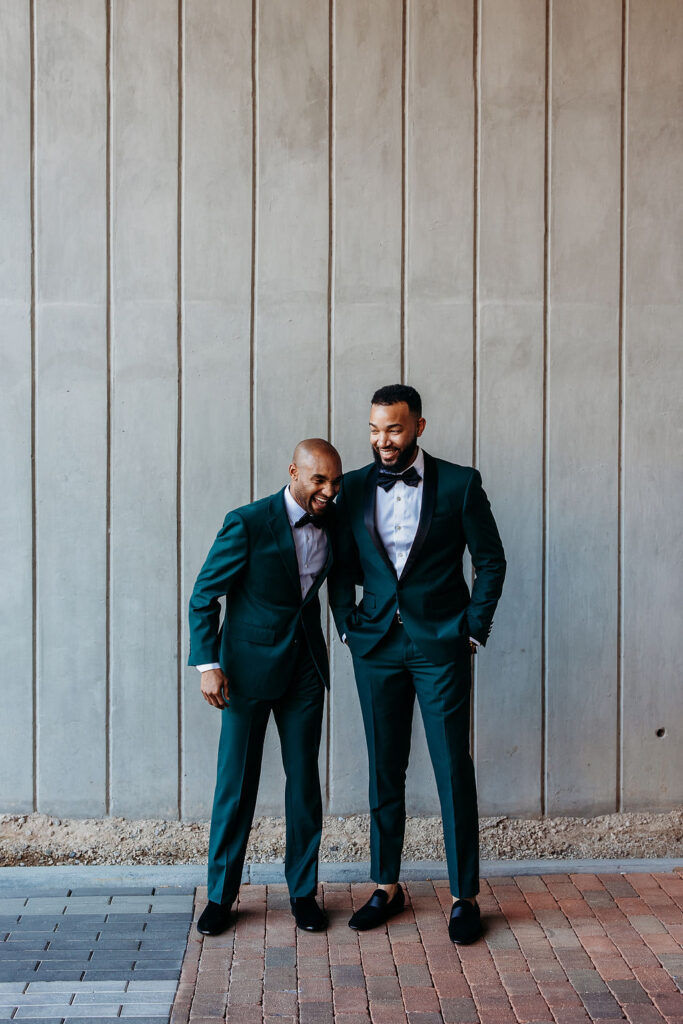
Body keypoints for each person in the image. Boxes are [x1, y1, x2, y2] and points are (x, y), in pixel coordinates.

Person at [328, 385, 506, 944]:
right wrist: (348, 625)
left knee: (454, 767)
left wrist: (472, 629)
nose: (383, 441)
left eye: (395, 430)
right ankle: (386, 886)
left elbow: (491, 560)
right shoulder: (352, 487)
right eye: (376, 429)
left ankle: (465, 896)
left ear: (419, 427)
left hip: (441, 647)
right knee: (385, 767)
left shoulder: (460, 483)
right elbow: (338, 565)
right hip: (376, 647)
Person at [188, 439, 342, 935]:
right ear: (294, 472)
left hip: (303, 672)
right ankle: (220, 897)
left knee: (304, 786)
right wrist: (208, 664)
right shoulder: (248, 522)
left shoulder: (333, 519)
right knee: (235, 787)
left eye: (335, 482)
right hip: (245, 671)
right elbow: (203, 594)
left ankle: (303, 893)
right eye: (319, 480)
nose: (328, 491)